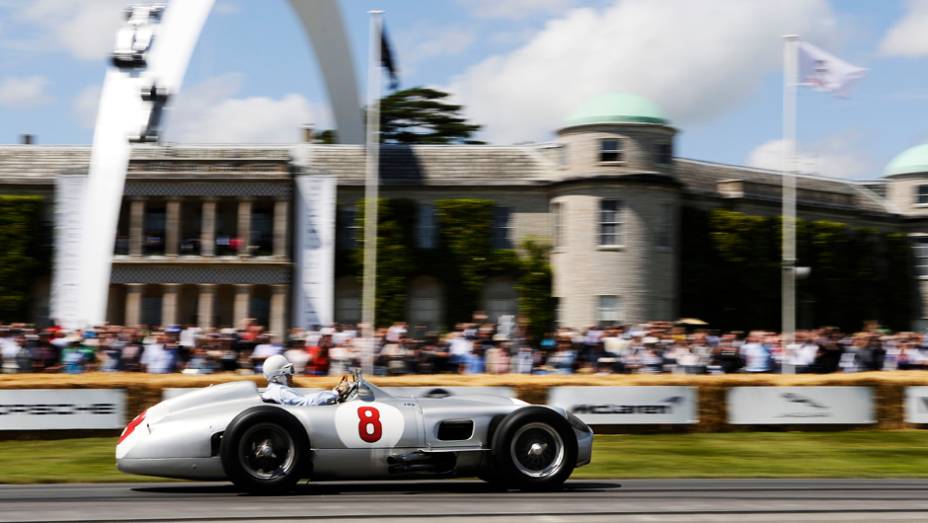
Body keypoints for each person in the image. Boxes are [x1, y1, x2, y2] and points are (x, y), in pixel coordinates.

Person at [260, 355, 349, 406]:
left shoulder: (273, 390)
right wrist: (336, 394)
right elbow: (306, 403)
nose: (292, 375)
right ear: (278, 376)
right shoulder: (280, 392)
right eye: (289, 371)